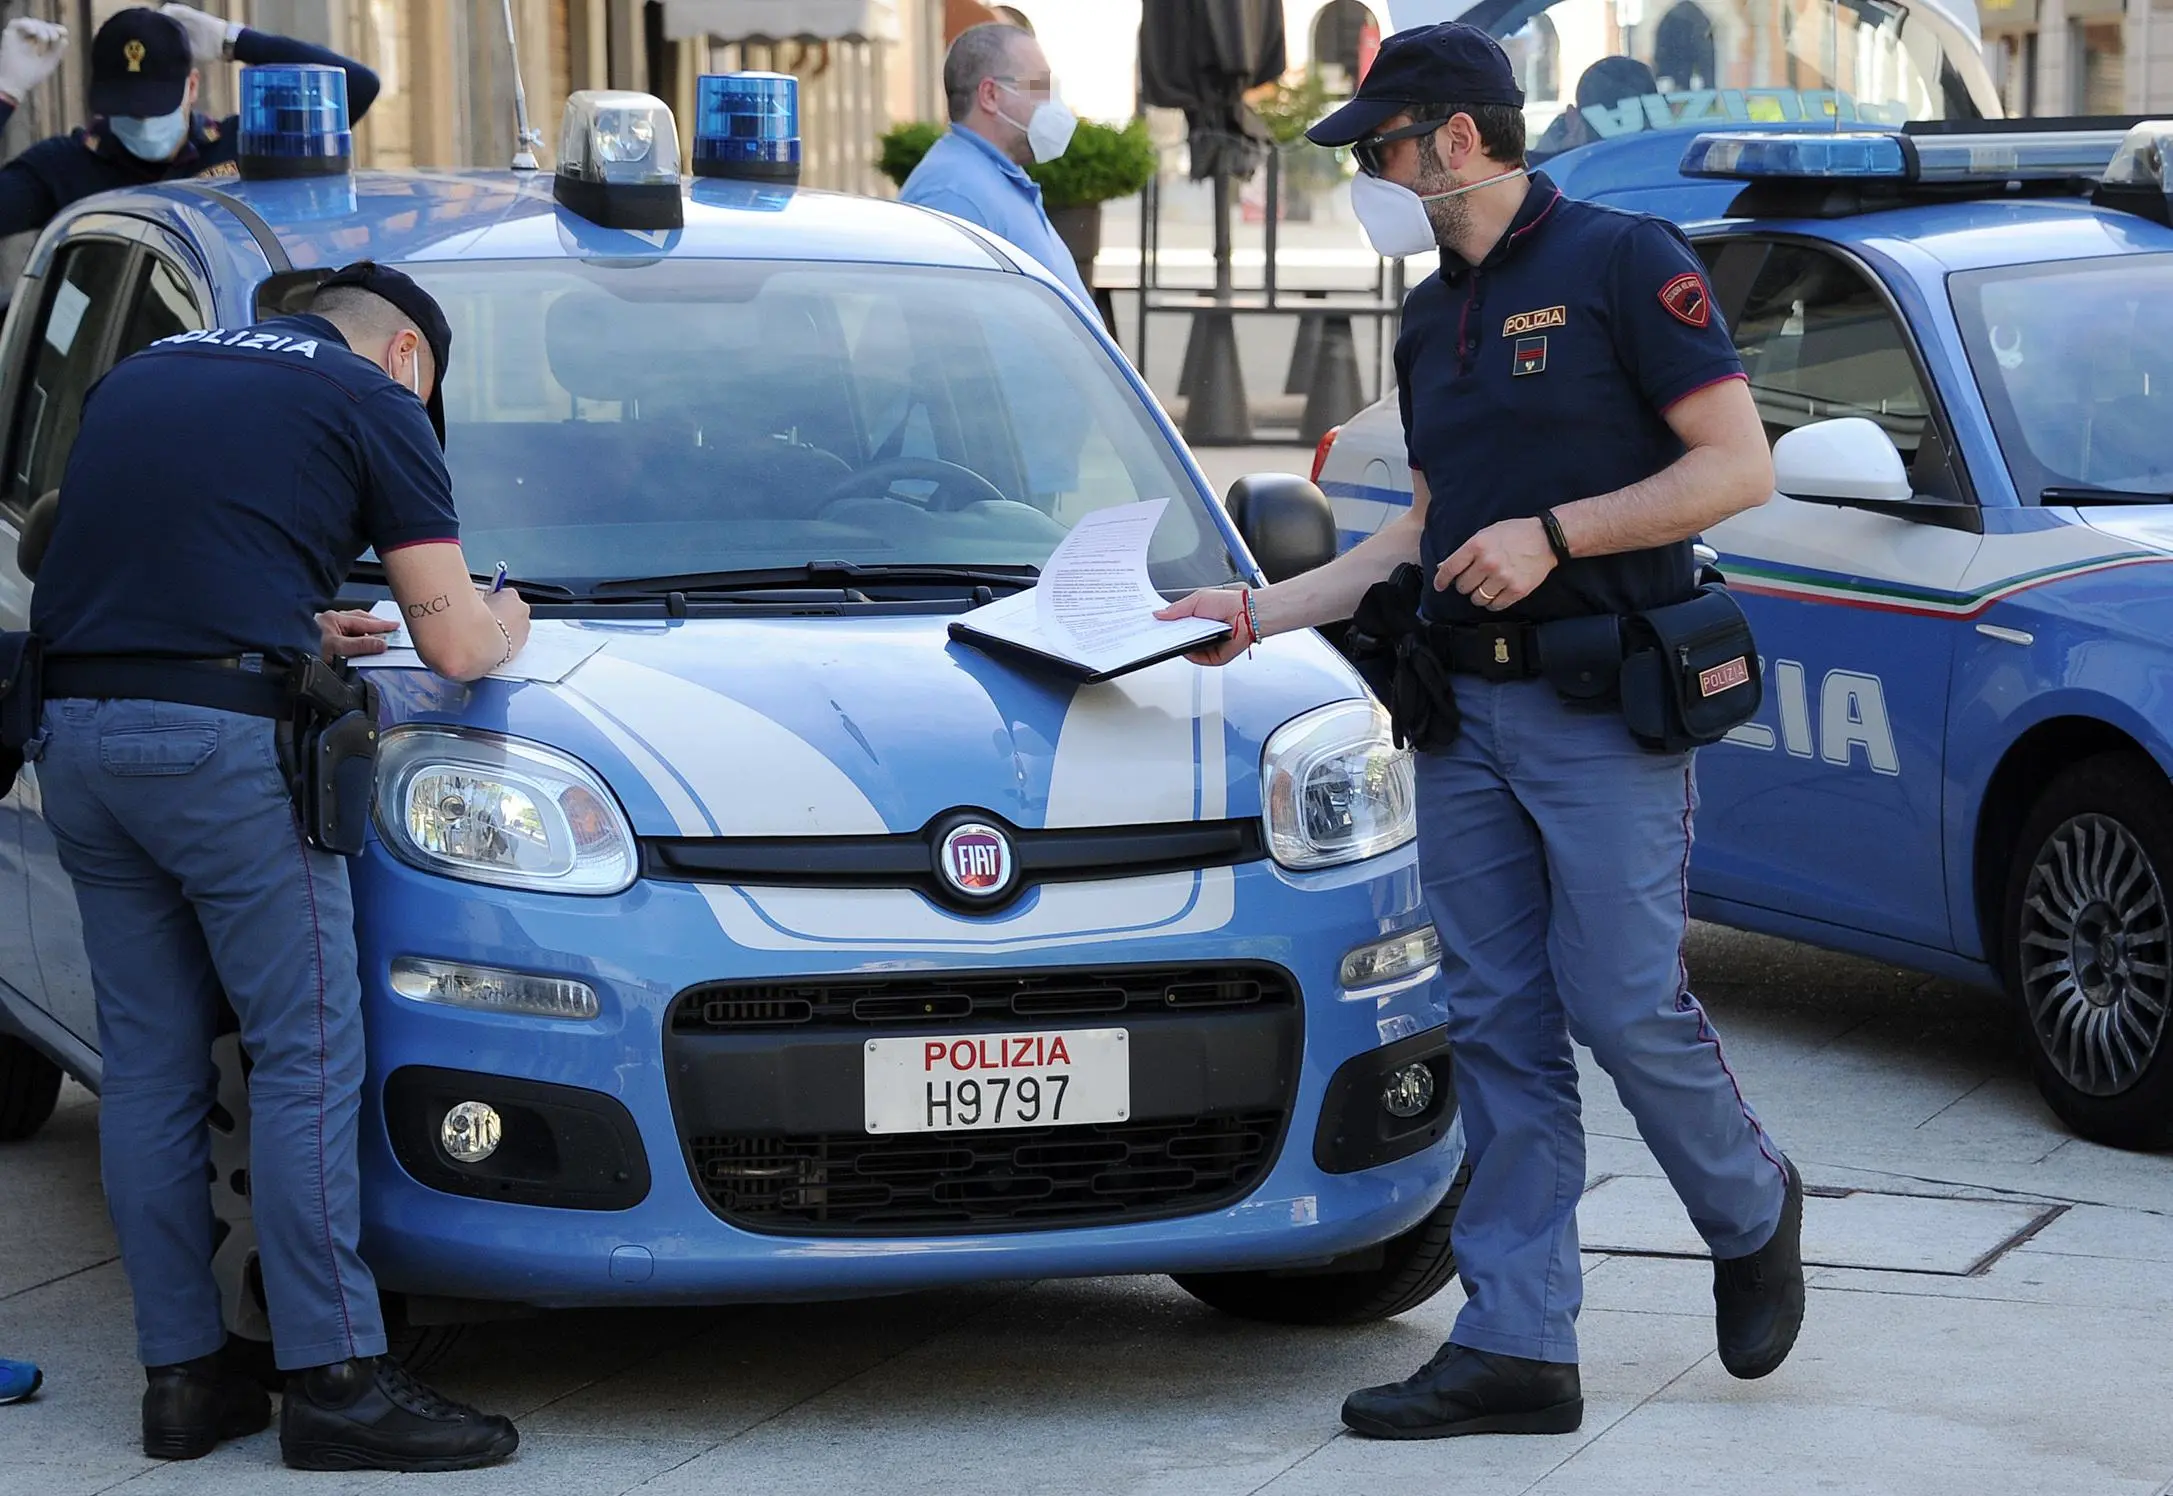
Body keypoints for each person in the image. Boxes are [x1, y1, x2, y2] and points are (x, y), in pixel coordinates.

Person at [1159, 22, 1805, 1440]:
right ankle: (1519, 1341)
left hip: (1599, 704)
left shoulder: (1625, 264)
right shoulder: (1423, 311)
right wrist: (1258, 611)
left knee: (1624, 1001)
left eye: (1382, 152)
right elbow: (1427, 527)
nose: (1372, 182)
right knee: (1496, 1025)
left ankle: (1750, 1206)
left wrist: (1557, 535)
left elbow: (1734, 466)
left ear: (1458, 138)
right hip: (1463, 713)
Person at [26, 261, 526, 1471]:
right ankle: (336, 1377)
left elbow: (108, 557)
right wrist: (510, 614)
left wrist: (289, 619)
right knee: (305, 1049)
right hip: (220, 752)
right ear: (406, 352)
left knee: (146, 1067)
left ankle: (185, 1381)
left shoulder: (147, 370)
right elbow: (454, 637)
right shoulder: (376, 400)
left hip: (80, 740)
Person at [0, 4, 379, 239]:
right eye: (128, 108)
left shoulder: (241, 147)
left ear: (192, 86)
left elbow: (358, 87)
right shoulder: (63, 167)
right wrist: (5, 91)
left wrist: (236, 40)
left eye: (155, 105)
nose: (144, 121)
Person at [900, 21, 1087, 302]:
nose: (1054, 102)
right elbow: (941, 325)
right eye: (1041, 86)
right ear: (990, 95)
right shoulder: (953, 195)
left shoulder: (992, 177)